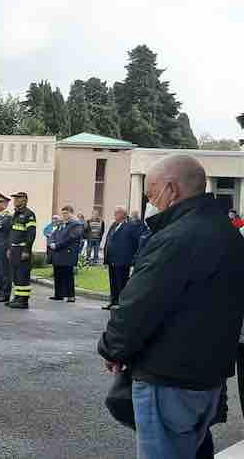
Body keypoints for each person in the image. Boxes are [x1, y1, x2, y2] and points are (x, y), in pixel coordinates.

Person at [98, 154, 244, 459]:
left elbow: (139, 304)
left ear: (171, 189)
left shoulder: (175, 237)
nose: (151, 202)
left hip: (168, 377)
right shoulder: (229, 234)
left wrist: (113, 349)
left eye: (152, 194)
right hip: (208, 377)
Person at [102, 207, 142, 311]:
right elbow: (109, 240)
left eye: (117, 213)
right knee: (113, 281)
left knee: (122, 282)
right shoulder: (114, 225)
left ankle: (121, 304)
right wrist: (106, 257)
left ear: (123, 214)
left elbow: (136, 242)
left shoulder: (131, 226)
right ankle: (113, 301)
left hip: (123, 259)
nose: (114, 214)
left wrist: (134, 258)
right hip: (112, 259)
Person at [48, 205, 84, 303]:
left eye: (66, 213)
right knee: (58, 274)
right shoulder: (61, 224)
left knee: (68, 275)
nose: (64, 215)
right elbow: (53, 234)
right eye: (63, 213)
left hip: (68, 253)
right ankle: (58, 294)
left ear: (71, 213)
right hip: (58, 253)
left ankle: (70, 295)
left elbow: (71, 238)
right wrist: (51, 242)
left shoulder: (76, 225)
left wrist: (57, 245)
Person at [7, 192, 37, 309]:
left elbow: (31, 235)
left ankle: (23, 301)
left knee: (22, 275)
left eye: (18, 199)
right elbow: (12, 233)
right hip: (14, 249)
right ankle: (17, 297)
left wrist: (26, 250)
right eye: (15, 199)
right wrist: (9, 248)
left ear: (24, 200)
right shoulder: (16, 214)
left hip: (22, 249)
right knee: (16, 275)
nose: (15, 201)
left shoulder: (29, 215)